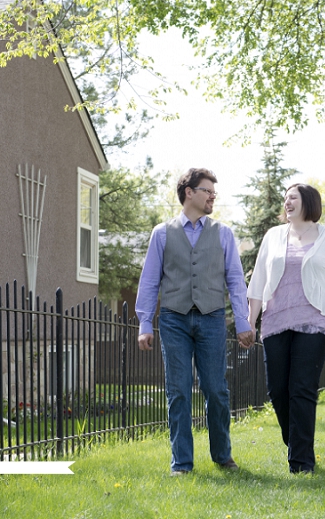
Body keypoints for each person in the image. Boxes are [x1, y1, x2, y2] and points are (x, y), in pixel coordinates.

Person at [136, 168, 254, 476]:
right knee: (178, 390)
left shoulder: (223, 233)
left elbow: (235, 280)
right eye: (207, 191)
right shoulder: (162, 233)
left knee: (216, 390)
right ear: (189, 192)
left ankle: (222, 455)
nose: (213, 196)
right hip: (173, 319)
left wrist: (242, 321)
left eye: (214, 192)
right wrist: (145, 323)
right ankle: (182, 463)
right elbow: (149, 281)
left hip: (212, 318)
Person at [245, 183, 325, 474]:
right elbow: (258, 281)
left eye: (293, 197)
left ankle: (302, 463)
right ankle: (296, 444)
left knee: (302, 388)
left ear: (308, 202)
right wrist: (250, 321)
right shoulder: (273, 236)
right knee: (278, 390)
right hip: (276, 321)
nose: (286, 202)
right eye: (285, 198)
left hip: (316, 321)